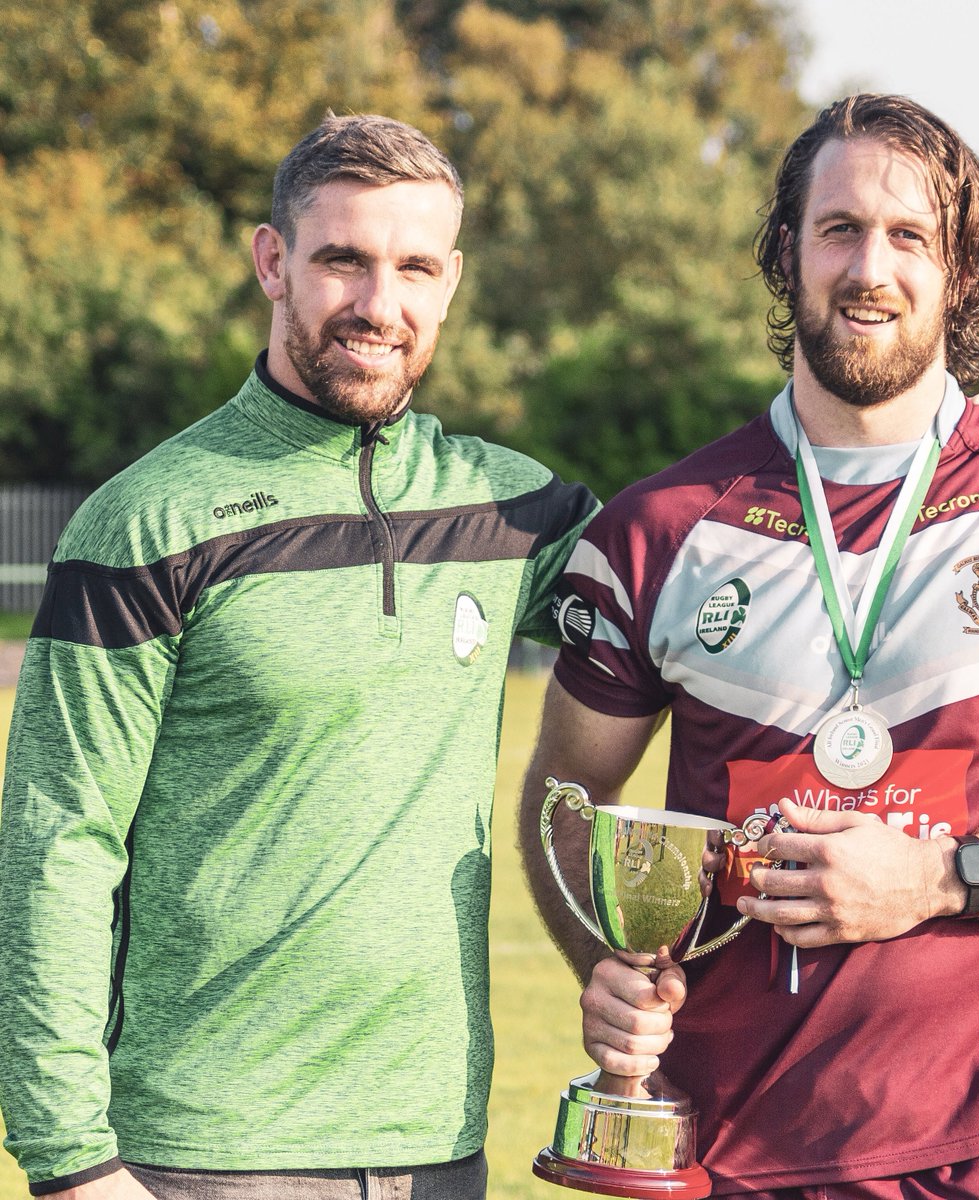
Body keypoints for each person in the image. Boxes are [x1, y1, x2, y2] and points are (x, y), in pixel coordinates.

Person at [520, 93, 979, 1200]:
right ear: (786, 252)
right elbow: (564, 792)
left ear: (961, 272)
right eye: (838, 229)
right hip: (726, 1148)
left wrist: (940, 878)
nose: (870, 268)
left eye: (908, 236)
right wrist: (604, 962)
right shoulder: (659, 528)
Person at [0, 114, 600, 1199]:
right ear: (272, 262)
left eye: (415, 268)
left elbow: (708, 594)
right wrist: (69, 1160)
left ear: (452, 283)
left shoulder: (513, 508)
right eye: (343, 260)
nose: (380, 303)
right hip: (200, 1154)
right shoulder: (144, 521)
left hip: (435, 1149)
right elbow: (57, 844)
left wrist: (927, 450)